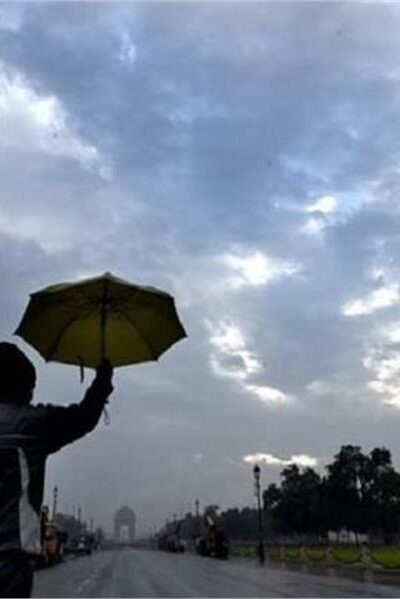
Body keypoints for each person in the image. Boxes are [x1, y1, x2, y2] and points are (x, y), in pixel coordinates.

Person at [0, 342, 113, 598]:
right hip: (9, 559)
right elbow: (84, 417)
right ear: (24, 389)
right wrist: (103, 380)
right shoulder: (33, 424)